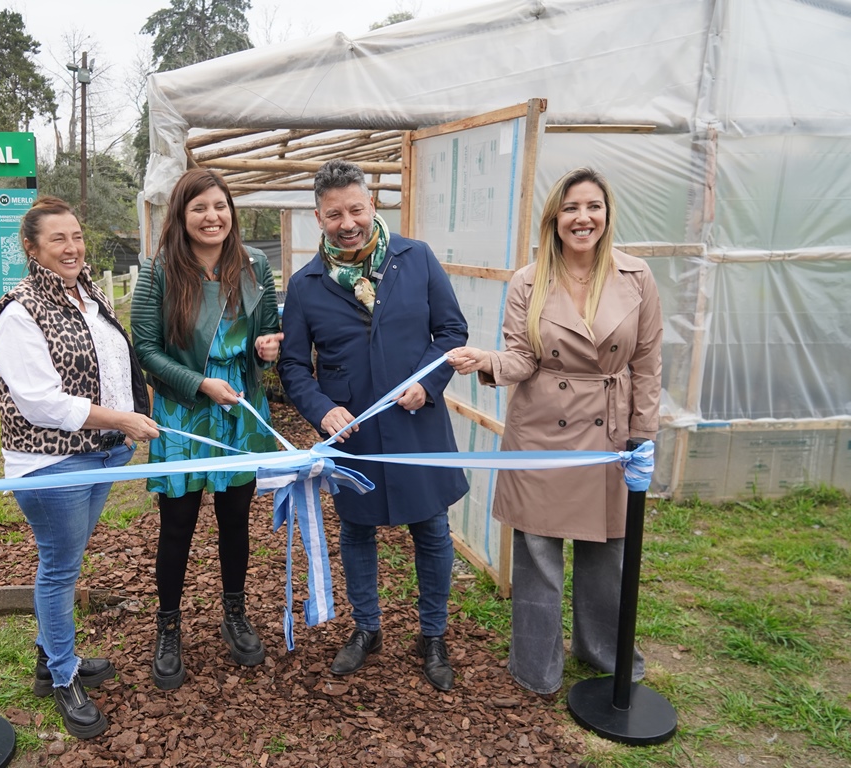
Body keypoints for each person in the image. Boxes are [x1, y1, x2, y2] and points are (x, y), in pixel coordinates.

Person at [447, 167, 663, 695]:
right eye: (571, 208)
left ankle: (603, 651)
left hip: (609, 433)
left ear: (606, 214)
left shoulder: (637, 277)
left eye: (592, 206)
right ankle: (536, 666)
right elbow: (522, 357)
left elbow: (647, 363)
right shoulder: (529, 279)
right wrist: (487, 361)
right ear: (554, 218)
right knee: (538, 553)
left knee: (607, 551)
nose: (582, 218)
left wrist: (642, 436)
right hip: (542, 430)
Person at [277, 159, 470, 692]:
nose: (348, 224)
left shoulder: (416, 258)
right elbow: (293, 365)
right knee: (357, 529)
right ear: (318, 217)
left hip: (417, 423)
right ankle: (367, 627)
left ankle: (432, 634)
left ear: (372, 205)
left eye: (356, 210)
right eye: (334, 214)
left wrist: (428, 382)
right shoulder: (306, 284)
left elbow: (451, 331)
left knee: (431, 529)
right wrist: (322, 410)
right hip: (352, 433)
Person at [0, 196, 159, 739]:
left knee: (67, 560)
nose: (72, 248)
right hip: (50, 461)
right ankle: (63, 677)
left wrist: (131, 412)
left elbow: (112, 366)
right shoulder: (19, 311)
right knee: (60, 568)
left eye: (78, 236)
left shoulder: (89, 294)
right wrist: (123, 419)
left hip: (102, 452)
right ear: (32, 247)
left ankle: (50, 658)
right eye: (58, 238)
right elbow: (41, 403)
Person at [130, 169, 283, 690]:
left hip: (239, 408)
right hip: (184, 410)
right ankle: (168, 628)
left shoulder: (255, 264)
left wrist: (268, 346)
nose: (212, 216)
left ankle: (234, 614)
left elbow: (268, 330)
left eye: (220, 206)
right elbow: (146, 349)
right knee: (178, 523)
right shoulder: (158, 271)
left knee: (235, 518)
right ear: (182, 215)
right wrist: (199, 384)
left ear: (231, 211)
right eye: (199, 208)